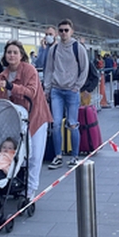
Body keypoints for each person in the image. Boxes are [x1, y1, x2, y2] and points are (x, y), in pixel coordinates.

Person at [0, 40, 52, 199]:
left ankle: (31, 190)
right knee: (18, 154)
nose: (11, 55)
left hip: (35, 117)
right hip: (17, 120)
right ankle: (15, 184)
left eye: (15, 52)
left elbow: (31, 92)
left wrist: (11, 87)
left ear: (21, 55)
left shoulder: (29, 70)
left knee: (34, 156)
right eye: (9, 52)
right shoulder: (2, 75)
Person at [43, 19, 88, 169]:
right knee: (55, 124)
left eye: (66, 30)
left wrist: (77, 86)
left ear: (71, 31)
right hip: (56, 90)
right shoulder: (53, 49)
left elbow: (84, 68)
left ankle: (75, 156)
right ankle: (58, 156)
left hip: (71, 91)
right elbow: (49, 70)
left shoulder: (78, 48)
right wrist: (47, 89)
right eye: (61, 30)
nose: (63, 33)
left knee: (73, 123)